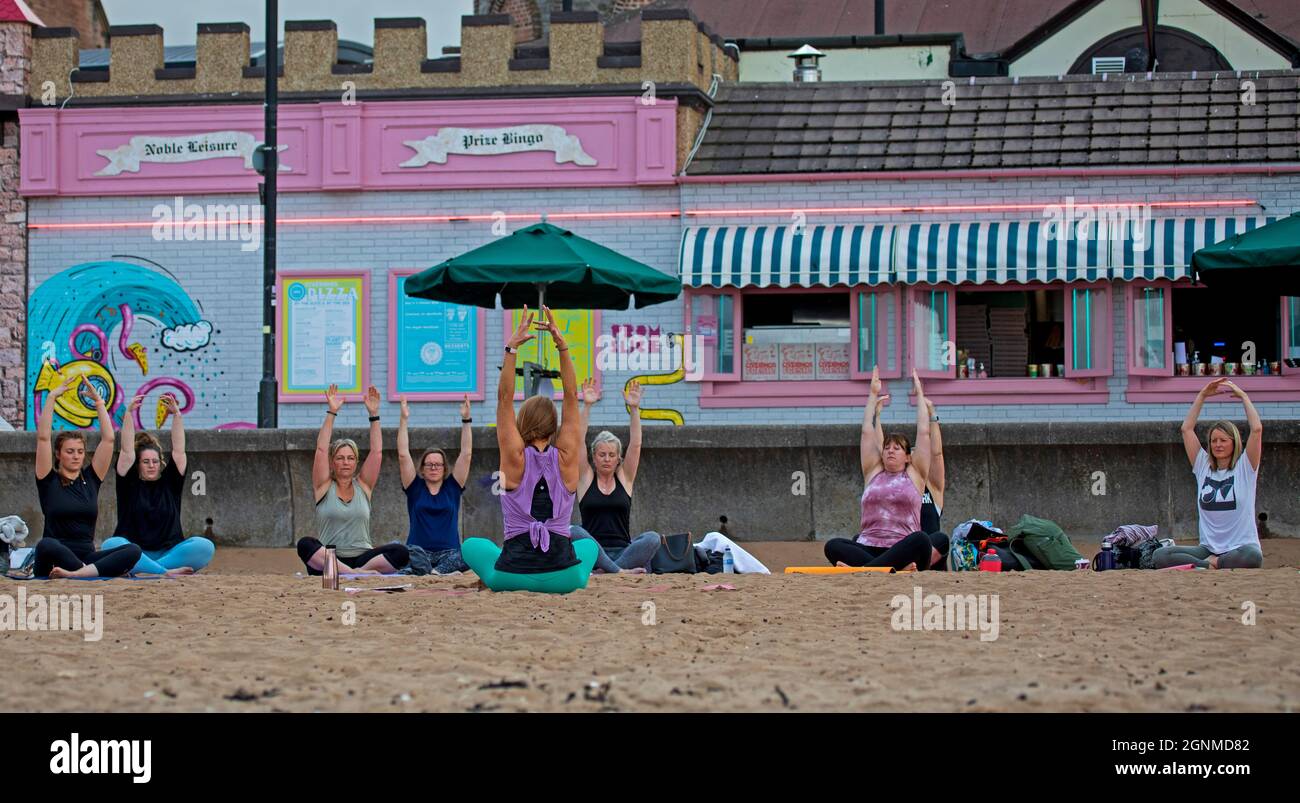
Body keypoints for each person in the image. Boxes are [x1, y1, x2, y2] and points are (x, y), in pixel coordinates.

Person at [460, 306, 598, 592]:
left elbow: (504, 399)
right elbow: (572, 396)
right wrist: (562, 346)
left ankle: (500, 570)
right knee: (587, 546)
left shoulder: (514, 458)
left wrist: (511, 349)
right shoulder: (567, 456)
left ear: (523, 422)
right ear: (554, 425)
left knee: (473, 545)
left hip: (511, 577)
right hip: (566, 578)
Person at [824, 367, 939, 571]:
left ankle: (862, 570)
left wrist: (919, 393)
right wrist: (873, 394)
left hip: (901, 548)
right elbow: (866, 431)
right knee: (832, 545)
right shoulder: (873, 472)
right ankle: (887, 569)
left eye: (897, 448)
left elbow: (923, 432)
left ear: (908, 457)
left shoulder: (914, 474)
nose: (890, 451)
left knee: (921, 540)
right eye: (887, 447)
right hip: (868, 546)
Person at [32, 373, 141, 579]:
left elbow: (109, 440)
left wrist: (99, 402)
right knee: (46, 544)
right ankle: (85, 572)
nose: (75, 456)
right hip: (55, 557)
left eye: (80, 452)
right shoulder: (48, 480)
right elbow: (44, 438)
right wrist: (51, 397)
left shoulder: (91, 479)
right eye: (69, 451)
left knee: (133, 550)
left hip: (87, 556)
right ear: (58, 454)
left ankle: (78, 573)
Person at [296, 384, 410, 575]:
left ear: (356, 462)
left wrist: (374, 415)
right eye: (340, 458)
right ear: (332, 462)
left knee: (400, 552)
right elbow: (322, 450)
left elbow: (377, 452)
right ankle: (354, 574)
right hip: (329, 558)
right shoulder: (324, 486)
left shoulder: (363, 485)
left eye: (350, 458)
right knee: (305, 544)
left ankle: (353, 573)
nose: (345, 463)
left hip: (362, 558)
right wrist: (332, 412)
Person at [1153, 378, 1264, 569]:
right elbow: (1186, 429)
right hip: (1208, 549)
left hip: (1239, 548)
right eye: (1214, 441)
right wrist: (1202, 395)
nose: (1218, 445)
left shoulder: (1245, 466)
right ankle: (1207, 564)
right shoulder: (1203, 465)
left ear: (1234, 442)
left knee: (1253, 556)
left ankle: (1210, 564)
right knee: (1159, 555)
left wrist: (1244, 397)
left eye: (1223, 440)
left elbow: (1257, 430)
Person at [101, 393, 215, 575]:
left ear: (161, 462)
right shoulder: (128, 484)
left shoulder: (171, 483)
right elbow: (127, 450)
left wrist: (177, 416)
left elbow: (179, 451)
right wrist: (128, 414)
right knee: (112, 544)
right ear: (137, 465)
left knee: (205, 546)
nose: (151, 465)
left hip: (170, 553)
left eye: (155, 461)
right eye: (146, 462)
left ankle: (150, 569)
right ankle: (162, 571)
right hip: (134, 552)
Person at [568, 377, 661, 574]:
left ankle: (609, 571)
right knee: (573, 531)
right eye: (602, 455)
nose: (607, 459)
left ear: (619, 458)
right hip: (594, 552)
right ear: (594, 457)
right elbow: (577, 442)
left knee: (653, 538)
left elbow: (635, 444)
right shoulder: (586, 479)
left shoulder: (625, 478)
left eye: (611, 455)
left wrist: (634, 409)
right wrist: (587, 406)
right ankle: (617, 571)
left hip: (624, 551)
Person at [398, 393, 472, 574]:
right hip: (418, 552)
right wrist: (403, 419)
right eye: (429, 464)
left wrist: (466, 420)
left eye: (438, 464)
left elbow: (466, 454)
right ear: (422, 469)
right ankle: (434, 571)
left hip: (450, 554)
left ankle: (435, 571)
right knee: (396, 550)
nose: (433, 467)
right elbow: (403, 454)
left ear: (445, 468)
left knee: (469, 553)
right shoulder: (415, 488)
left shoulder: (452, 488)